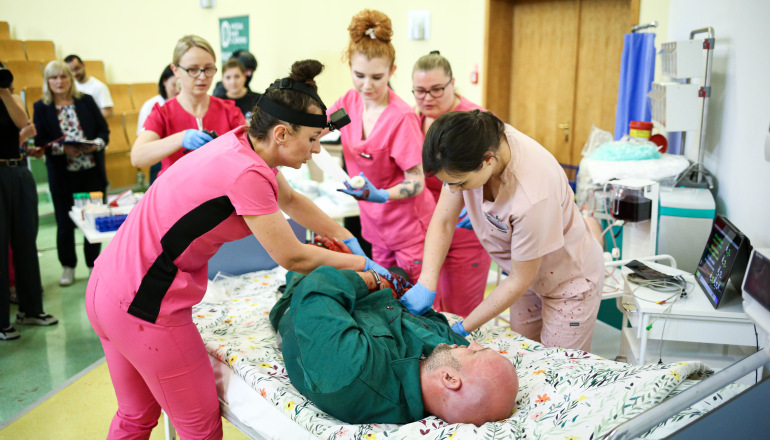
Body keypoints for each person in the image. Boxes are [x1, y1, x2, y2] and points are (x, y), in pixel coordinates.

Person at [86, 59, 401, 439]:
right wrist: (359, 264)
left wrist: (347, 236)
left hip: (106, 288)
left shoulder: (240, 142)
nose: (317, 151)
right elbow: (292, 256)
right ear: (282, 133)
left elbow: (291, 199)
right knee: (200, 429)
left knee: (135, 416)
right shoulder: (247, 174)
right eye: (314, 140)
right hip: (144, 305)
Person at [408, 110, 605, 352]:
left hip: (567, 282)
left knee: (556, 367)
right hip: (523, 274)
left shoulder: (533, 197)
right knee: (524, 355)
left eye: (459, 183)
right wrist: (427, 280)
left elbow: (520, 279)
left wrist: (462, 328)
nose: (452, 190)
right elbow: (444, 222)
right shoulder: (477, 138)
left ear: (488, 160)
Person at [270, 265, 519, 426]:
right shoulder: (445, 357)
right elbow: (433, 322)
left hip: (305, 303)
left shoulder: (353, 373)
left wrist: (375, 279)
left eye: (477, 352)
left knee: (309, 262)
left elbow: (316, 289)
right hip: (374, 301)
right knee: (399, 269)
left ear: (450, 379)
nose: (473, 343)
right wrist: (393, 283)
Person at [330, 9, 435, 282]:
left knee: (412, 300)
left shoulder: (401, 118)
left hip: (409, 230)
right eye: (359, 75)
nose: (366, 85)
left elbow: (417, 181)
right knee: (385, 295)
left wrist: (382, 195)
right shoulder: (347, 103)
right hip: (375, 227)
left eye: (377, 77)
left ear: (392, 71)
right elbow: (318, 127)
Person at [411, 51, 492, 317]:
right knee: (433, 310)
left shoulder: (475, 121)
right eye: (420, 91)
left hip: (466, 232)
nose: (427, 98)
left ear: (452, 83)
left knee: (461, 313)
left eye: (436, 90)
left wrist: (482, 207)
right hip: (431, 229)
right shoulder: (415, 120)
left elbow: (498, 175)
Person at [33, 61, 109, 287]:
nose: (59, 82)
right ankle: (68, 266)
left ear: (70, 78)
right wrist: (62, 148)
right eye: (53, 78)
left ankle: (92, 265)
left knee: (94, 219)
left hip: (91, 171)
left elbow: (103, 131)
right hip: (63, 175)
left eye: (63, 77)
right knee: (65, 223)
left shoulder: (85, 101)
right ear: (47, 82)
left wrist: (95, 144)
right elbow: (40, 142)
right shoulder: (41, 107)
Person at [130, 35, 245, 176]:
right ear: (175, 70)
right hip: (176, 194)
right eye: (193, 69)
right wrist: (181, 138)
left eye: (208, 69)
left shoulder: (229, 111)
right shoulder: (163, 113)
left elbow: (251, 153)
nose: (202, 77)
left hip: (220, 194)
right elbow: (137, 158)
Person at [1, 62, 58, 340]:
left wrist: (4, 91)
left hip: (19, 171)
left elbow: (22, 123)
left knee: (26, 241)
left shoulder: (6, 95)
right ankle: (1, 321)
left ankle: (31, 309)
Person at [136, 65, 180, 184]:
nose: (177, 89)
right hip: (159, 159)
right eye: (174, 85)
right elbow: (143, 140)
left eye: (180, 85)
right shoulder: (152, 105)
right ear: (164, 82)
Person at [64, 55, 114, 119]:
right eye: (71, 71)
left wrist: (91, 122)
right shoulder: (69, 86)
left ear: (83, 65)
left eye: (77, 68)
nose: (75, 73)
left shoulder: (99, 86)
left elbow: (108, 112)